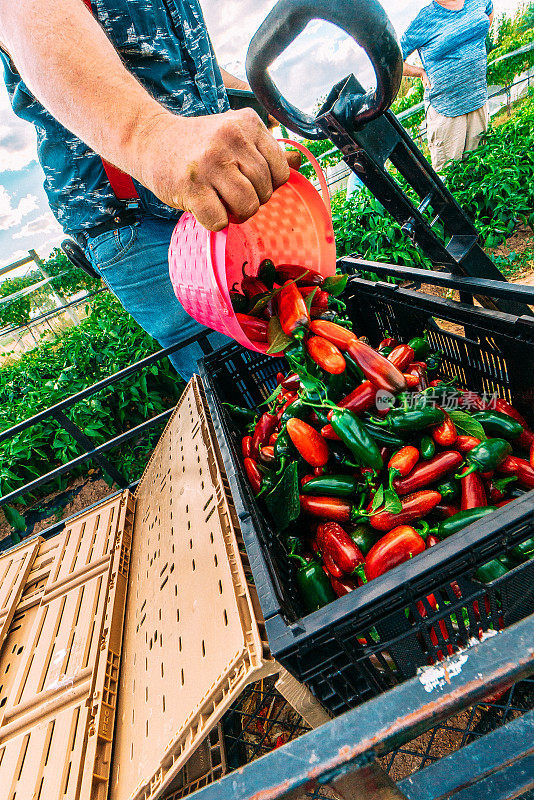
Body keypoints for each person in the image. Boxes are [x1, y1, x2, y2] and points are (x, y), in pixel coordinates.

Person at [0, 0, 299, 379]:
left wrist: (268, 106)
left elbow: (182, 62)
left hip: (207, 190)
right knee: (243, 373)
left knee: (281, 329)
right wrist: (151, 137)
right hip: (134, 218)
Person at [401, 0, 494, 173]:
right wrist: (420, 72)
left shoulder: (478, 1)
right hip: (446, 110)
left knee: (480, 168)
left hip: (477, 98)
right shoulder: (425, 19)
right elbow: (395, 60)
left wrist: (475, 44)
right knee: (451, 176)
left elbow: (488, 11)